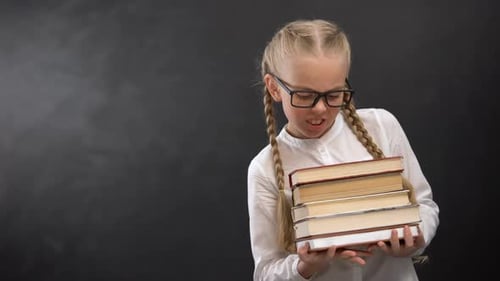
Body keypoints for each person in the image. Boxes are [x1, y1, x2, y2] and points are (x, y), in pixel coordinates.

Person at [247, 18, 440, 281]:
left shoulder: (383, 126)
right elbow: (265, 272)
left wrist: (415, 238)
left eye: (334, 94)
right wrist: (304, 266)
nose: (320, 109)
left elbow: (425, 206)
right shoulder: (264, 168)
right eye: (304, 96)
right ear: (274, 88)